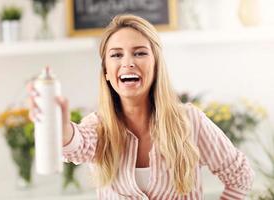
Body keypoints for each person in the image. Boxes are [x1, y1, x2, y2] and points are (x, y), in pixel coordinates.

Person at [27, 14, 254, 199]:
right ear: (106, 71)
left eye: (140, 53)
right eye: (116, 55)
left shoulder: (191, 122)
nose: (128, 62)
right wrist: (58, 125)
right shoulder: (98, 127)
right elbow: (75, 145)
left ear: (156, 65)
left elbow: (240, 176)